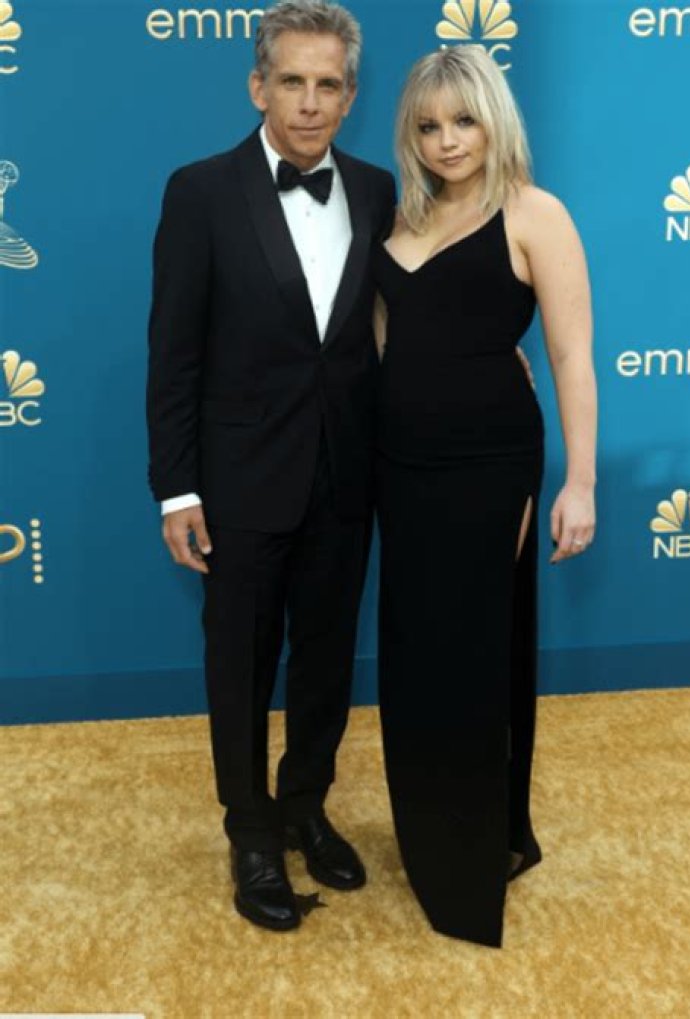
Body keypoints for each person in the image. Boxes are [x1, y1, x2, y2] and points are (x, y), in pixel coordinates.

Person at [146, 0, 395, 932]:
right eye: (291, 80)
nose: (309, 102)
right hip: (240, 481)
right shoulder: (200, 191)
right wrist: (177, 485)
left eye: (328, 84)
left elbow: (392, 325)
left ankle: (304, 808)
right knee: (241, 667)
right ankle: (250, 832)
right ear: (258, 85)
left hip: (346, 478)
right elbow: (173, 352)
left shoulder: (374, 191)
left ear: (351, 95)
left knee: (326, 661)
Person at [372, 45, 597, 947]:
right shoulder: (402, 217)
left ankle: (473, 855)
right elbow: (389, 345)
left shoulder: (534, 212)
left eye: (462, 120)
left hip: (491, 462)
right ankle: (435, 829)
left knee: (471, 653)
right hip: (401, 467)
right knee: (416, 652)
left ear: (495, 118)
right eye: (427, 126)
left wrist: (579, 481)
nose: (446, 140)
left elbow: (573, 356)